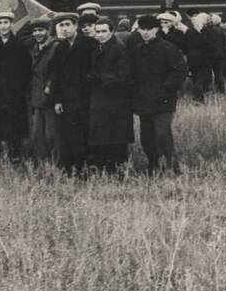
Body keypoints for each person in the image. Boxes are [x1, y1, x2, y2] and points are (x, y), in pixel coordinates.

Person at [128, 14, 187, 175]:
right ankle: (153, 165)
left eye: (149, 29)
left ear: (156, 29)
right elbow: (132, 74)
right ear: (138, 30)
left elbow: (180, 71)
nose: (146, 32)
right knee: (146, 136)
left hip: (164, 100)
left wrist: (166, 89)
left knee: (162, 133)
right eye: (142, 29)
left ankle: (170, 165)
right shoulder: (137, 50)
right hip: (144, 100)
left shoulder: (168, 48)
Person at [87, 17, 133, 174]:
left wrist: (101, 78)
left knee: (115, 138)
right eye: (97, 32)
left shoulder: (119, 48)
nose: (100, 35)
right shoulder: (97, 49)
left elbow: (124, 75)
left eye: (103, 31)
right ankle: (105, 168)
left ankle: (118, 170)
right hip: (100, 99)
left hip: (115, 100)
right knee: (102, 135)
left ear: (111, 32)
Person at [50, 12, 95, 176]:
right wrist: (57, 100)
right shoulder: (60, 47)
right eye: (61, 25)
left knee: (83, 133)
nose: (64, 29)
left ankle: (83, 168)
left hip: (85, 97)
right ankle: (68, 168)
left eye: (68, 25)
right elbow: (56, 75)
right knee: (67, 133)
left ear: (76, 26)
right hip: (66, 99)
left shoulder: (89, 44)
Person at [0, 12, 31, 160]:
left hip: (13, 92)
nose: (3, 26)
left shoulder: (19, 45)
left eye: (6, 22)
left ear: (11, 24)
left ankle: (14, 155)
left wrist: (19, 88)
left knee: (13, 124)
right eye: (0, 23)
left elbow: (25, 69)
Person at [27, 16, 60, 164]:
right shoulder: (35, 48)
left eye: (41, 30)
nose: (37, 34)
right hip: (37, 97)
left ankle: (56, 164)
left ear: (48, 31)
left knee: (52, 135)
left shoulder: (55, 47)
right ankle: (43, 165)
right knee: (37, 135)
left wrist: (50, 86)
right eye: (35, 31)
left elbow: (57, 71)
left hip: (50, 98)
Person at [183, 12, 214, 102]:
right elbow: (209, 46)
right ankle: (198, 98)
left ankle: (198, 96)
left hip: (192, 59)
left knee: (196, 77)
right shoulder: (206, 32)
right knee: (200, 79)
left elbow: (185, 45)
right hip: (203, 60)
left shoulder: (189, 31)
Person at [205, 14, 226, 94]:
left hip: (213, 55)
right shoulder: (220, 30)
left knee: (212, 73)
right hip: (220, 54)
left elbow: (210, 43)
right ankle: (221, 90)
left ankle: (212, 89)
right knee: (219, 73)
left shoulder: (211, 30)